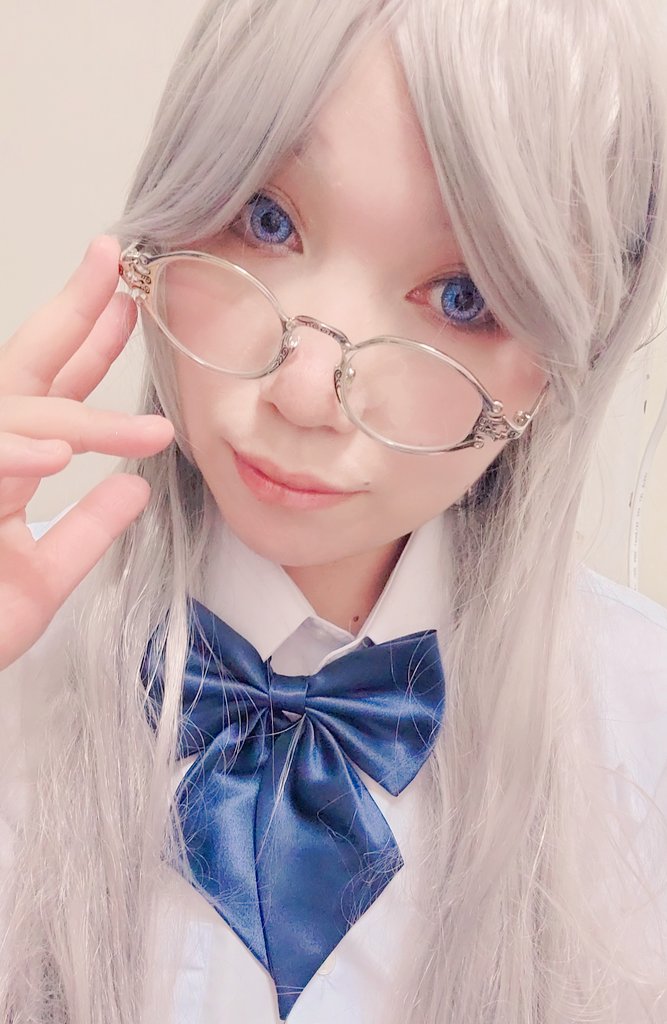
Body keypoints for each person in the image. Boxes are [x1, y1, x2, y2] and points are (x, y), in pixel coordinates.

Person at [1, 0, 666, 1021]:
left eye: (463, 297)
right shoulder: (18, 659)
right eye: (266, 220)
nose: (307, 391)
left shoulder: (640, 728)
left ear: (560, 363)